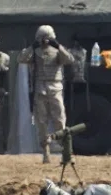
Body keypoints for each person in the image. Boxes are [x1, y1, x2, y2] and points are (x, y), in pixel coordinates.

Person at [17, 25, 75, 163]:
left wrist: (58, 46)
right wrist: (33, 46)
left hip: (56, 87)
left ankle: (65, 151)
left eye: (47, 38)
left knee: (60, 119)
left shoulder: (58, 51)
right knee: (41, 121)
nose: (45, 41)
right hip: (40, 88)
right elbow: (21, 59)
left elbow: (70, 59)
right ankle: (45, 151)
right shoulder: (34, 52)